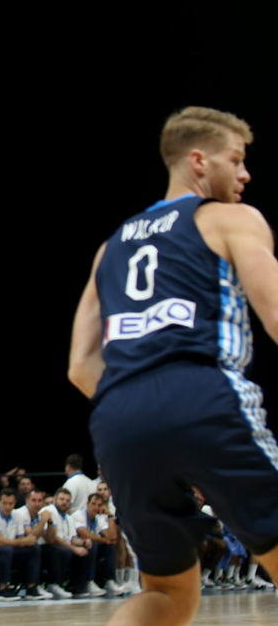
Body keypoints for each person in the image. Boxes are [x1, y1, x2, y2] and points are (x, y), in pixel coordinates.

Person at [68, 107, 278, 626]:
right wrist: (185, 417)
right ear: (200, 160)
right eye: (238, 160)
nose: (246, 174)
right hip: (202, 392)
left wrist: (153, 420)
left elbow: (79, 365)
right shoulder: (230, 219)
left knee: (165, 590)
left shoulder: (109, 248)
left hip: (119, 416)